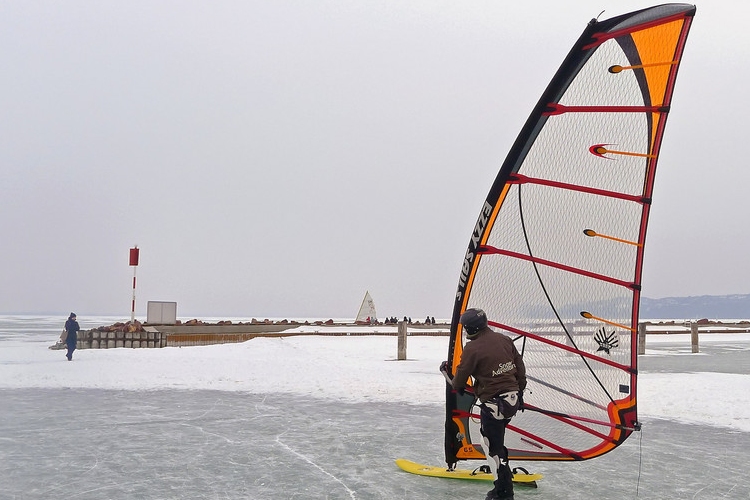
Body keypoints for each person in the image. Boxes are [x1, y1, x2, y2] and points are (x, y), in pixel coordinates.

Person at [440, 308, 526, 500]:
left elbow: (459, 383)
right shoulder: (504, 340)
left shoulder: (472, 349)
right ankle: (502, 484)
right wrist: (520, 393)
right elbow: (520, 369)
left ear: (470, 328)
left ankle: (503, 492)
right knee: (490, 443)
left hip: (495, 405)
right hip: (511, 401)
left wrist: (446, 372)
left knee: (491, 446)